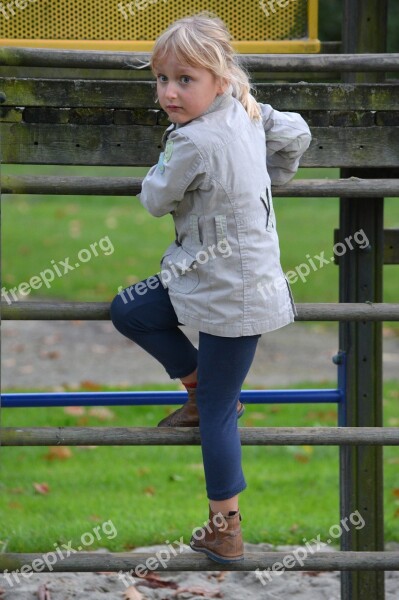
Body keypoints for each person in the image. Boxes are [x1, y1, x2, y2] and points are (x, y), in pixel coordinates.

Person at [110, 13, 311, 564]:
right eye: (161, 79)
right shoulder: (245, 109)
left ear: (219, 78)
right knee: (131, 309)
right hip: (208, 277)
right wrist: (275, 174)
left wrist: (169, 157)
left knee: (223, 413)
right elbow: (295, 131)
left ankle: (226, 528)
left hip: (233, 295)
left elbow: (154, 200)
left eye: (184, 80)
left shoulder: (194, 142)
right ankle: (197, 387)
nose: (169, 93)